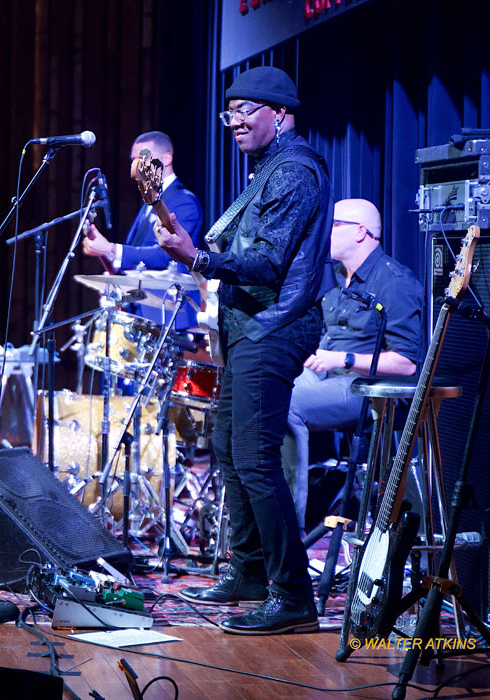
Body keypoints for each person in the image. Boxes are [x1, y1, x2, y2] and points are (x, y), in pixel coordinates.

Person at [156, 66, 332, 634]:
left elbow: (268, 263)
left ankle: (293, 595)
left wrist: (198, 258)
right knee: (231, 450)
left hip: (275, 327)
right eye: (228, 111)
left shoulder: (295, 171)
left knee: (256, 458)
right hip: (248, 327)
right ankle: (251, 570)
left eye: (244, 111)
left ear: (280, 114)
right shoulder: (267, 169)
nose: (232, 121)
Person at [281, 198, 423, 530]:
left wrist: (343, 358)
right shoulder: (336, 277)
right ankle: (261, 522)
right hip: (328, 376)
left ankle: (290, 531)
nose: (326, 232)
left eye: (334, 225)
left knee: (288, 404)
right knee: (261, 390)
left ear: (360, 232)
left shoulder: (395, 282)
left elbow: (405, 363)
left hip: (365, 387)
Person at [81, 131, 204, 328]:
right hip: (145, 313)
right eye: (133, 160)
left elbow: (167, 255)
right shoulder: (150, 201)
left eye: (142, 158)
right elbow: (141, 262)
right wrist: (113, 270)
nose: (136, 166)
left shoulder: (183, 201)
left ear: (166, 159)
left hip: (170, 317)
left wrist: (112, 249)